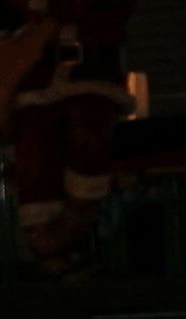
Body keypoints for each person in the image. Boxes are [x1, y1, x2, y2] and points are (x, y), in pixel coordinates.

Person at [9, 0, 137, 273]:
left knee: (88, 142)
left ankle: (72, 231)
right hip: (39, 78)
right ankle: (52, 250)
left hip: (91, 73)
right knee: (36, 163)